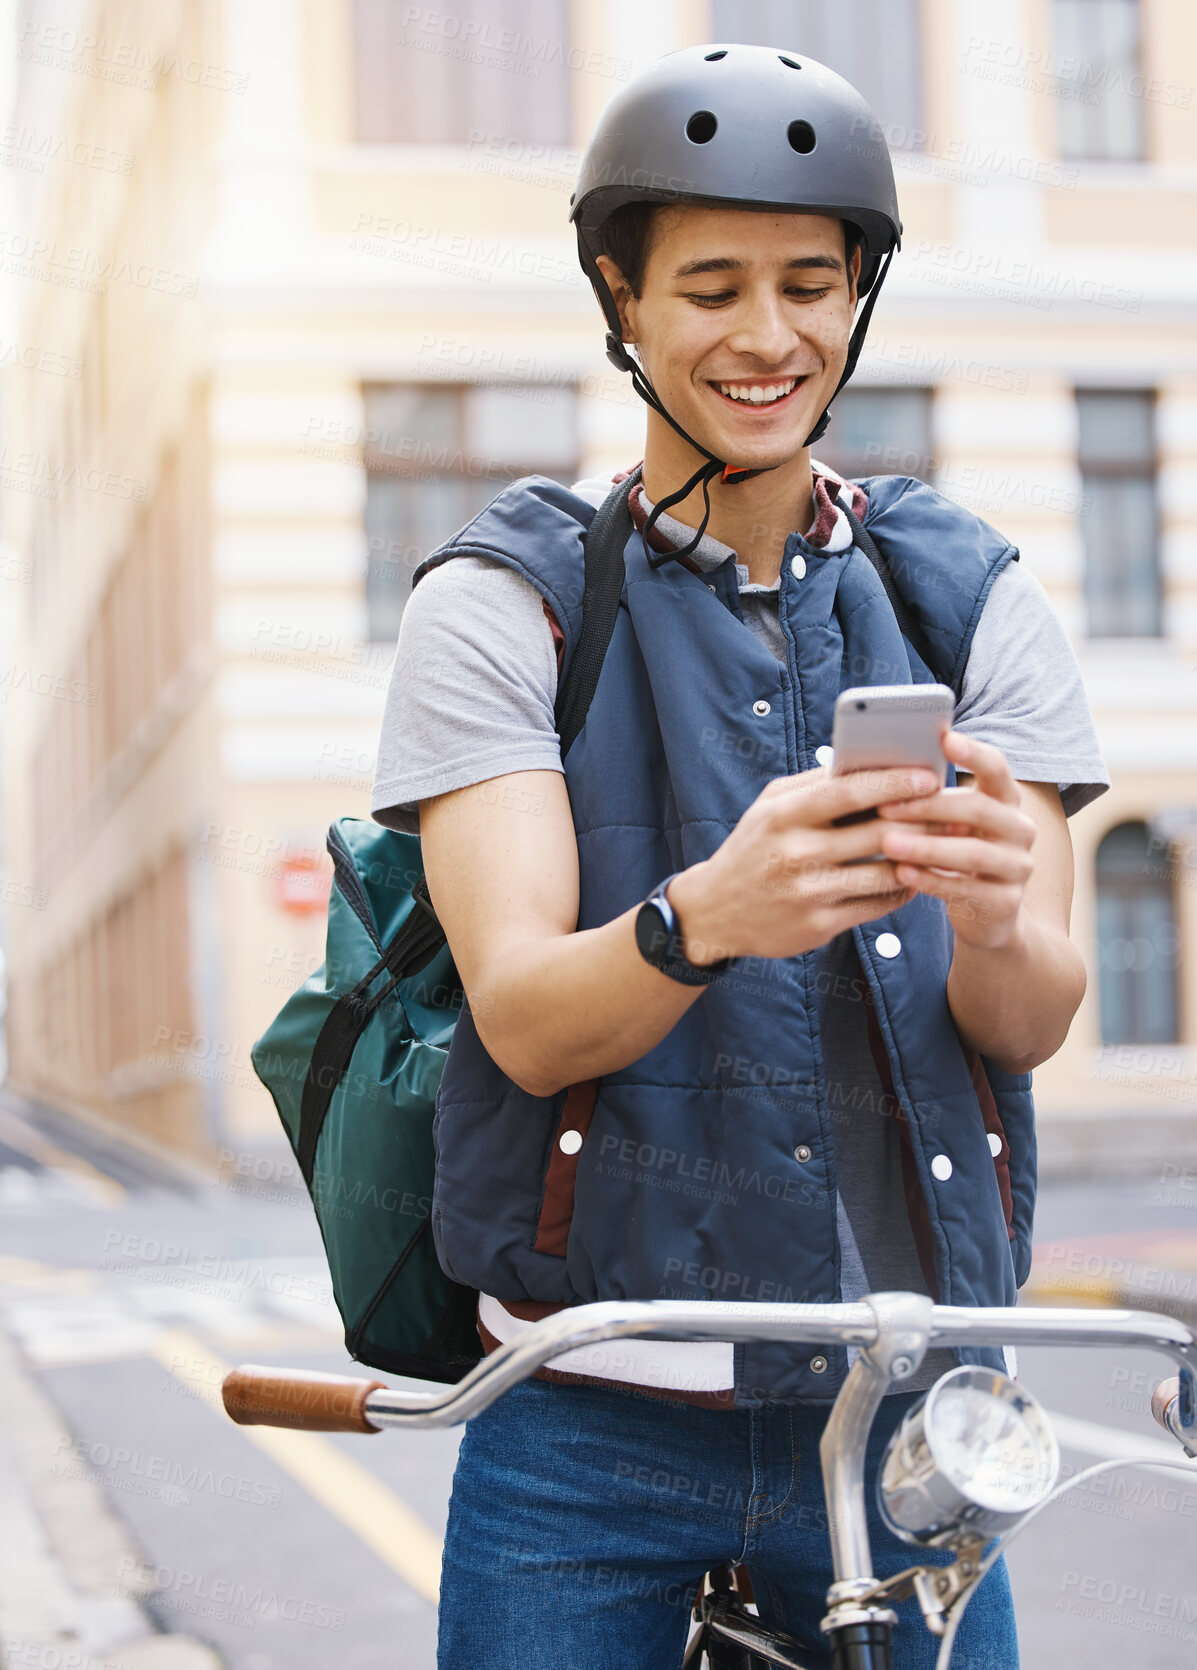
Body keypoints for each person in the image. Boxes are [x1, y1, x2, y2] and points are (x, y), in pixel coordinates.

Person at [371, 43, 1109, 1670]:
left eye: (810, 283)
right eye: (709, 284)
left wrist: (993, 912)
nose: (766, 337)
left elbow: (1028, 1018)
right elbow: (524, 1017)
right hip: (588, 1424)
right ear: (620, 300)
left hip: (909, 1406)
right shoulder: (507, 606)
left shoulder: (968, 596)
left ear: (858, 301)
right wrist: (708, 914)